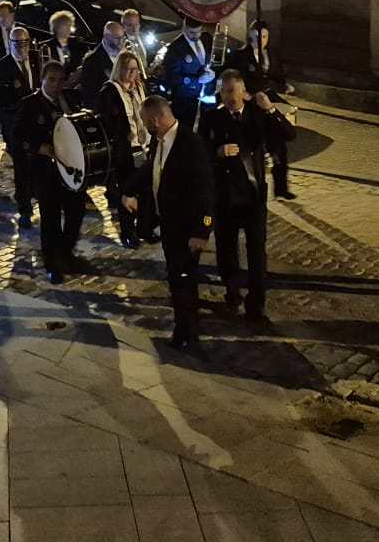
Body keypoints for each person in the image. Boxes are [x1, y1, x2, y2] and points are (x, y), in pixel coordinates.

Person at [125, 95, 215, 355]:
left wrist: (202, 231)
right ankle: (182, 328)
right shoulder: (160, 141)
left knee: (185, 280)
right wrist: (128, 190)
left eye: (145, 121)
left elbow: (205, 189)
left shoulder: (190, 144)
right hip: (169, 225)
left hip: (187, 229)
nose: (144, 126)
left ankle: (188, 334)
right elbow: (151, 171)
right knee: (176, 278)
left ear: (156, 119)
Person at [201, 71, 290, 323]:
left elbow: (288, 134)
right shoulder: (211, 118)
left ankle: (256, 304)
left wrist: (271, 109)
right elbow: (200, 151)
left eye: (233, 90)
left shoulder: (257, 115)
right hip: (224, 196)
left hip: (253, 196)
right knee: (226, 250)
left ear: (243, 92)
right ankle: (231, 293)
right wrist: (217, 151)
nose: (229, 96)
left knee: (257, 253)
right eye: (224, 91)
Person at [17, 61, 86, 283]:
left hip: (72, 167)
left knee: (76, 212)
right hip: (46, 171)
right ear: (43, 80)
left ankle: (66, 251)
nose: (56, 85)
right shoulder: (30, 105)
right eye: (51, 80)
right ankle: (52, 264)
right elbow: (16, 137)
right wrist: (37, 147)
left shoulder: (71, 100)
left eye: (60, 80)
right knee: (51, 218)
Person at [226, 20, 295, 197]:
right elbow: (234, 78)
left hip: (268, 100)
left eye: (264, 37)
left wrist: (284, 85)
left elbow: (275, 75)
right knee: (255, 147)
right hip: (251, 103)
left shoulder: (269, 55)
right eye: (257, 37)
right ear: (250, 36)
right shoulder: (241, 56)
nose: (261, 41)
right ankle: (255, 186)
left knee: (279, 144)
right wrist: (245, 94)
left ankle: (281, 188)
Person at [97, 49, 152, 245]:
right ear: (119, 69)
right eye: (128, 69)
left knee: (146, 190)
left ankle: (145, 227)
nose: (132, 73)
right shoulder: (109, 92)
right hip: (124, 150)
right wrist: (122, 134)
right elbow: (104, 122)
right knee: (127, 190)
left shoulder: (139, 88)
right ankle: (128, 232)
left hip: (144, 145)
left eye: (135, 69)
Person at [0, 27, 40, 224]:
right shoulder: (1, 68)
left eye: (24, 42)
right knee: (22, 170)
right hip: (17, 127)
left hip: (38, 124)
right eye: (16, 43)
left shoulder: (36, 60)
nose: (21, 47)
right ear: (10, 44)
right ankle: (25, 209)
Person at [159, 15, 214, 129]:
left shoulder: (206, 39)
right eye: (192, 32)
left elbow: (213, 61)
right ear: (184, 29)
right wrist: (197, 80)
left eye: (199, 31)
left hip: (206, 98)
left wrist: (213, 74)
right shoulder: (175, 49)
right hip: (186, 102)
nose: (196, 35)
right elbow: (173, 79)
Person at [80, 20, 125, 106]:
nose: (121, 42)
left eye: (123, 38)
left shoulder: (124, 54)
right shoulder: (92, 61)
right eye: (116, 39)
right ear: (107, 37)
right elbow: (89, 95)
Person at [40, 10, 87, 89]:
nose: (71, 29)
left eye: (71, 26)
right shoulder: (46, 46)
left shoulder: (76, 44)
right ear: (58, 27)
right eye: (67, 26)